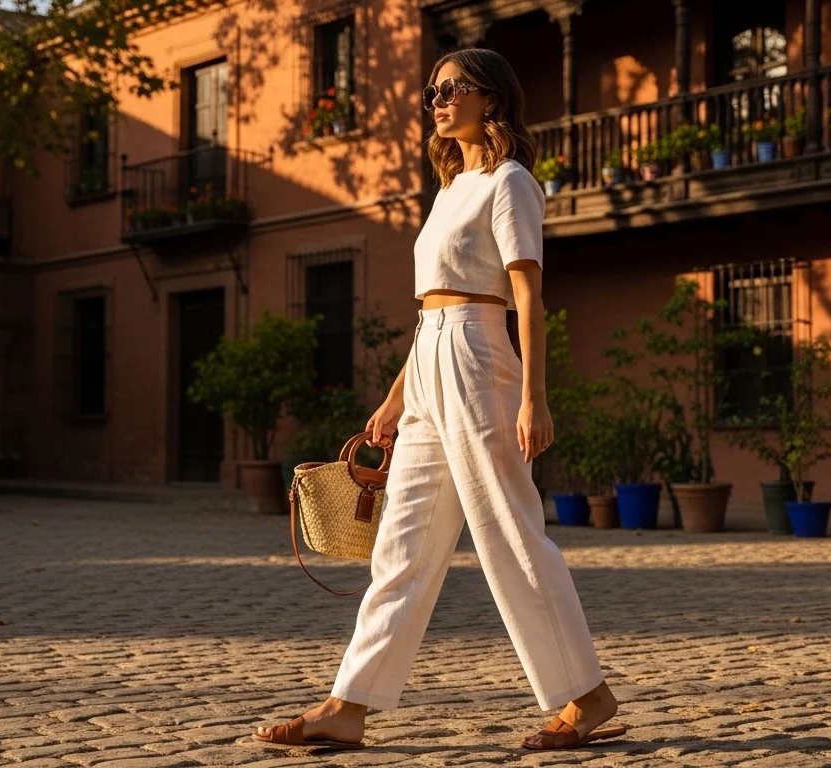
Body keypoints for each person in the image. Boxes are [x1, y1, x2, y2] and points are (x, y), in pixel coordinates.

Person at [252, 47, 625, 752]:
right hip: (432, 357)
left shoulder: (511, 184)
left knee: (509, 532)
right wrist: (399, 395)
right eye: (432, 91)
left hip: (482, 359)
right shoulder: (451, 190)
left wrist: (535, 397)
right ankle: (348, 705)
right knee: (402, 544)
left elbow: (526, 297)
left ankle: (587, 696)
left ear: (492, 97)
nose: (437, 100)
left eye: (452, 88)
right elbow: (433, 306)